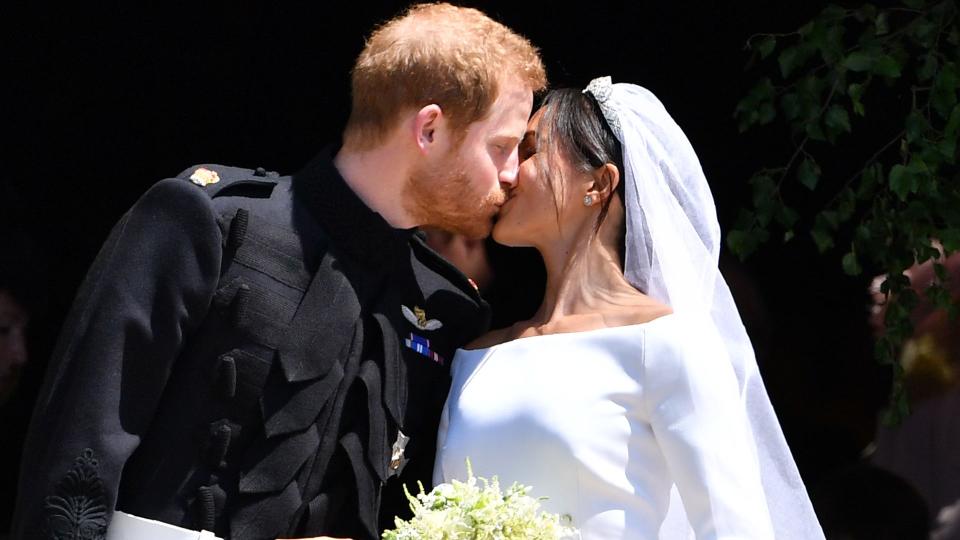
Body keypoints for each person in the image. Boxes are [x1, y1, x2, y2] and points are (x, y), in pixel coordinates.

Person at [13, 4, 546, 540]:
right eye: (500, 146)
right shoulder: (209, 224)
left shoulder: (449, 309)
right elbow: (74, 463)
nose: (510, 175)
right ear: (429, 129)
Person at [434, 78, 824, 539]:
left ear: (599, 184)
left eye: (531, 150)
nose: (509, 172)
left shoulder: (665, 344)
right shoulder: (476, 355)